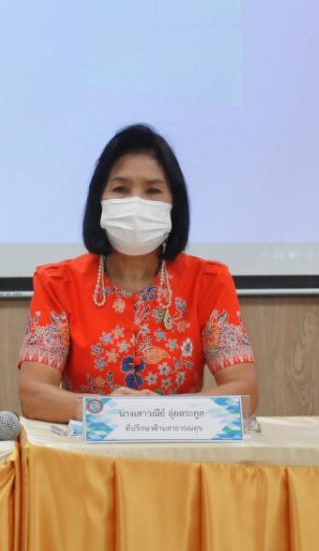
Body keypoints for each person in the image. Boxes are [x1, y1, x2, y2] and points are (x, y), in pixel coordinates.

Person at [18, 123, 258, 423]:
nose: (136, 203)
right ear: (99, 201)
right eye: (121, 189)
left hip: (177, 445)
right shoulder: (59, 283)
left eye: (153, 191)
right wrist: (108, 410)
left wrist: (159, 412)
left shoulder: (207, 281)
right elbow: (34, 395)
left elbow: (244, 393)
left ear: (174, 204)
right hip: (90, 448)